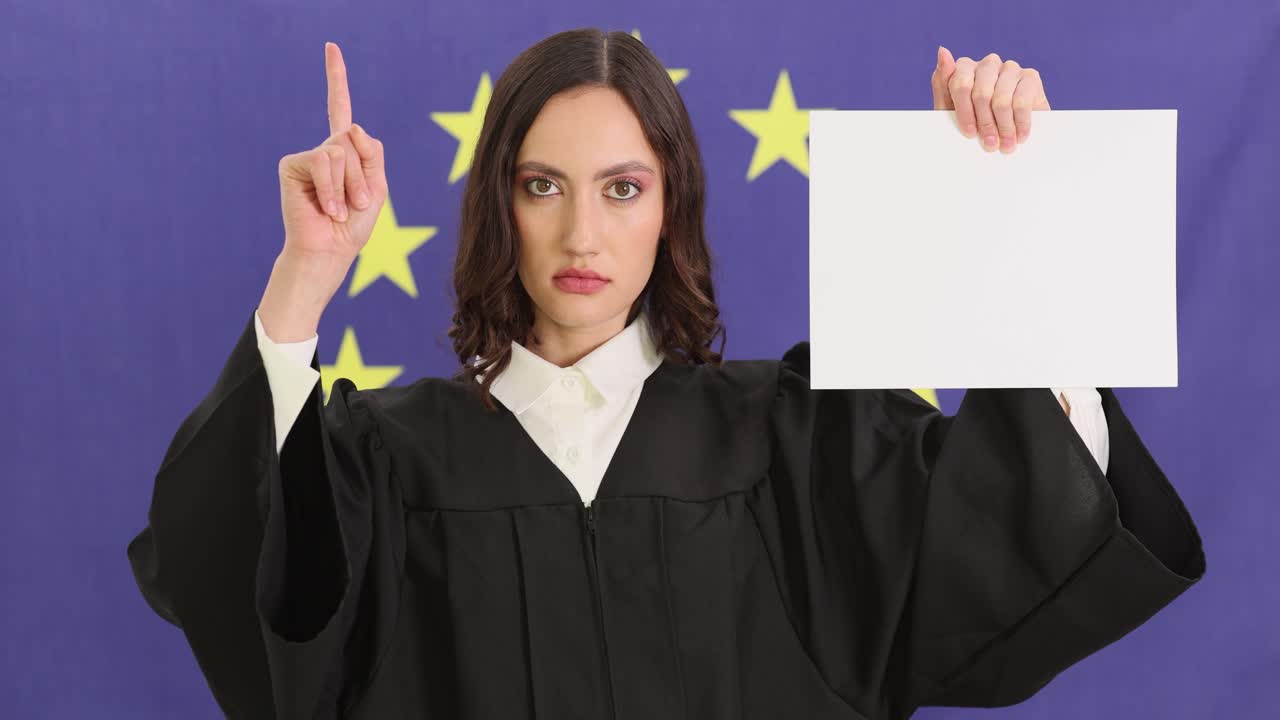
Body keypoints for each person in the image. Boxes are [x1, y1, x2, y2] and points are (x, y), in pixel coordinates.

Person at [126, 28, 1205, 720]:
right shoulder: (381, 463)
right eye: (542, 183)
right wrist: (304, 278)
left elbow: (1017, 545)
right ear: (496, 204)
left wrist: (1019, 197)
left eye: (624, 187)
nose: (581, 229)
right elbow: (232, 575)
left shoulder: (796, 441)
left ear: (670, 207)